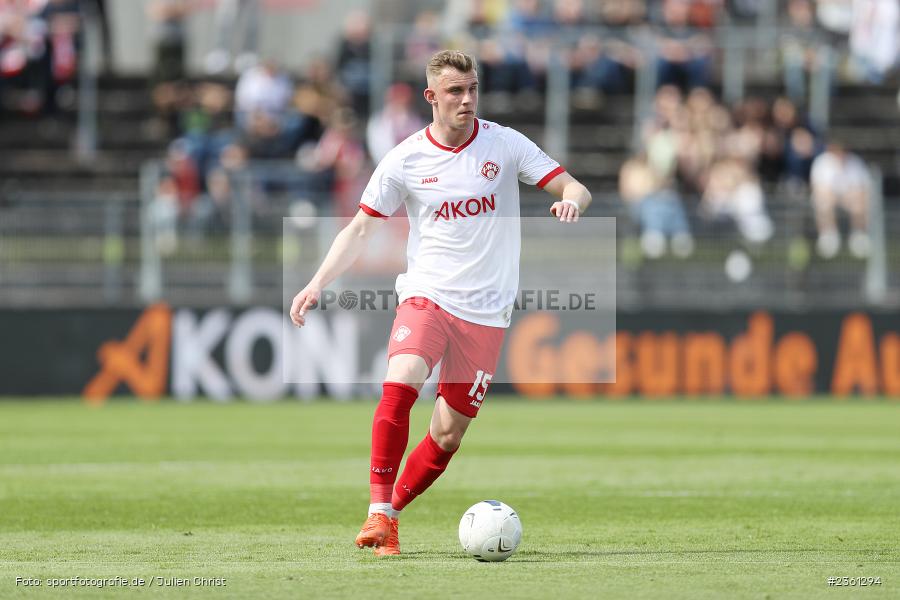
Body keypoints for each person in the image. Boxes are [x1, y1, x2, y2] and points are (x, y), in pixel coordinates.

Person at [288, 50, 591, 556]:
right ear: (431, 97)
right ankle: (377, 510)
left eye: (472, 89)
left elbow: (574, 185)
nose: (467, 99)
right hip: (426, 295)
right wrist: (316, 281)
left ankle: (393, 517)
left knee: (447, 436)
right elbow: (362, 227)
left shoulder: (504, 144)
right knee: (402, 379)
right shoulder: (405, 158)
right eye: (455, 91)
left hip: (487, 313)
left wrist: (569, 202)